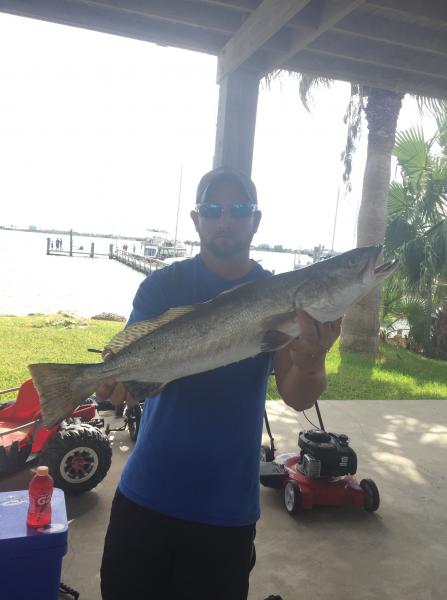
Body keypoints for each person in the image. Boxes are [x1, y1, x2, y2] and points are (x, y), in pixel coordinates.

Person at [97, 167, 341, 600]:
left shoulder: (279, 294)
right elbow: (134, 376)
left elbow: (297, 395)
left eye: (238, 209)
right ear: (196, 220)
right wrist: (121, 383)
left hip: (226, 509)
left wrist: (312, 356)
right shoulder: (163, 286)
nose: (224, 220)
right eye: (212, 209)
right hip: (146, 494)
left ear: (255, 220)